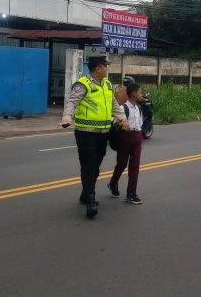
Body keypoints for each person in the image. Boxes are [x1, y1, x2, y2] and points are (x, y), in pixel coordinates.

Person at [61, 56, 128, 219]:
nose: (107, 69)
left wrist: (123, 119)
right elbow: (72, 102)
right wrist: (67, 117)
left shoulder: (107, 84)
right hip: (86, 133)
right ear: (98, 68)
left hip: (103, 133)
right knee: (89, 165)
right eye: (105, 66)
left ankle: (85, 193)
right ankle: (90, 199)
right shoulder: (82, 84)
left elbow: (113, 105)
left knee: (95, 166)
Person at [108, 83, 145, 204]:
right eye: (139, 92)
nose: (141, 94)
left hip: (137, 138)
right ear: (134, 94)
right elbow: (115, 122)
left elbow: (140, 124)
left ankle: (131, 194)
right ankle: (113, 183)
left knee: (135, 166)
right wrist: (121, 124)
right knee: (122, 164)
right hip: (125, 138)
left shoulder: (139, 107)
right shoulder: (123, 108)